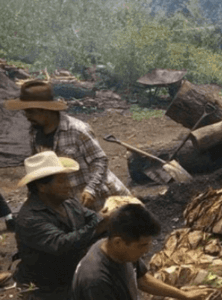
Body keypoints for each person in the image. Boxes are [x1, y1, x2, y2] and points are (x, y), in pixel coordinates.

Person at [10, 151, 107, 300]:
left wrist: (101, 221)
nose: (69, 185)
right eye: (61, 181)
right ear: (42, 186)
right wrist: (101, 224)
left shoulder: (68, 202)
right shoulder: (30, 218)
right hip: (44, 291)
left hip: (69, 282)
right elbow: (61, 244)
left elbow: (91, 217)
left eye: (67, 179)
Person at [72, 203, 206, 300]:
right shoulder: (96, 280)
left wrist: (184, 296)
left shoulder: (119, 251)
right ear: (118, 242)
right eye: (142, 245)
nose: (147, 250)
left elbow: (143, 279)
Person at [5, 79, 131, 211]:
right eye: (25, 111)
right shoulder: (34, 134)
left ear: (45, 110)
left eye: (30, 112)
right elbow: (40, 172)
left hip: (104, 200)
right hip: (73, 205)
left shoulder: (77, 130)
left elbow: (99, 160)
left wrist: (91, 189)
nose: (26, 116)